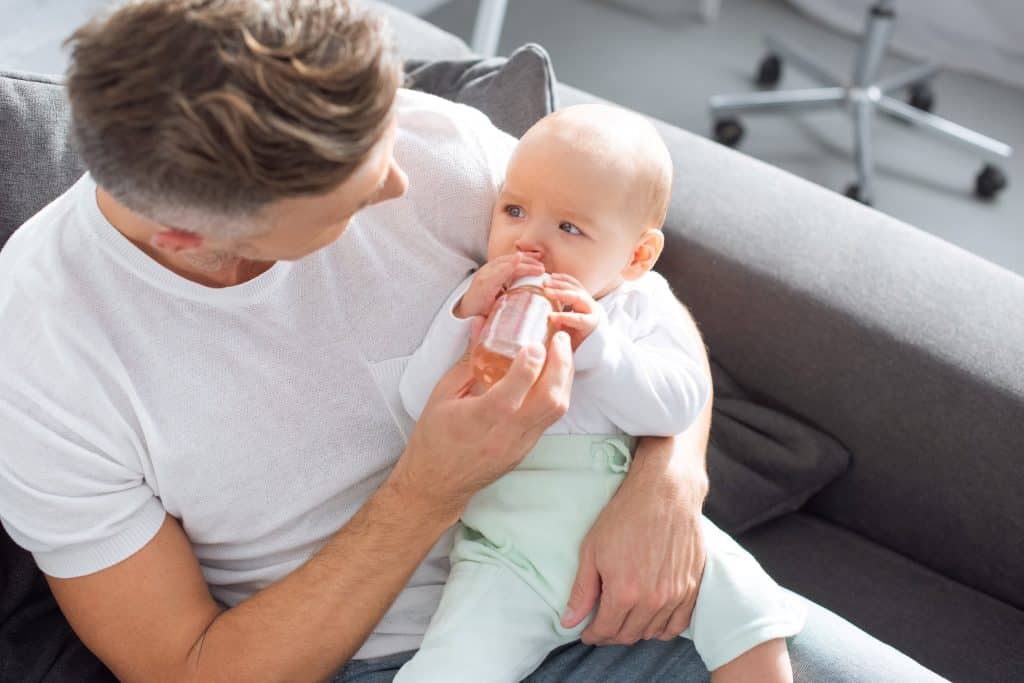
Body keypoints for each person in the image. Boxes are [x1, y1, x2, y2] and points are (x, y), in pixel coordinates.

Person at [0, 1, 950, 682]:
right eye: (350, 199)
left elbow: (636, 298)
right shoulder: (45, 358)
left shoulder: (434, 145)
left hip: (607, 564)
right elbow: (186, 667)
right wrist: (431, 485)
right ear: (186, 237)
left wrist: (669, 480)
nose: (398, 191)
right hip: (393, 654)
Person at [393, 104, 804, 682]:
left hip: (630, 520)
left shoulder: (642, 306)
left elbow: (679, 402)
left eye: (568, 227)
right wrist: (465, 316)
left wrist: (602, 352)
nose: (528, 242)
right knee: (449, 667)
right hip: (508, 557)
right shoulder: (478, 300)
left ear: (637, 256)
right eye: (513, 210)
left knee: (752, 614)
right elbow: (415, 400)